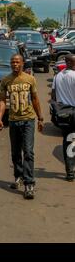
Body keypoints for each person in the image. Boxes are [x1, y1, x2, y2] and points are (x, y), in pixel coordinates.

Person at [0, 55, 44, 199]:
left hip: (28, 120)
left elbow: (35, 99)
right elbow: (3, 101)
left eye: (17, 62)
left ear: (23, 63)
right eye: (12, 62)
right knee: (16, 152)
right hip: (13, 121)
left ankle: (29, 184)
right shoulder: (6, 80)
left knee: (28, 152)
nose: (15, 64)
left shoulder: (30, 79)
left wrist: (40, 118)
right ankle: (18, 176)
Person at [51, 54, 75, 182]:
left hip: (63, 114)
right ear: (71, 63)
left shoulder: (57, 77)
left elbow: (54, 96)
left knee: (67, 141)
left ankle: (69, 171)